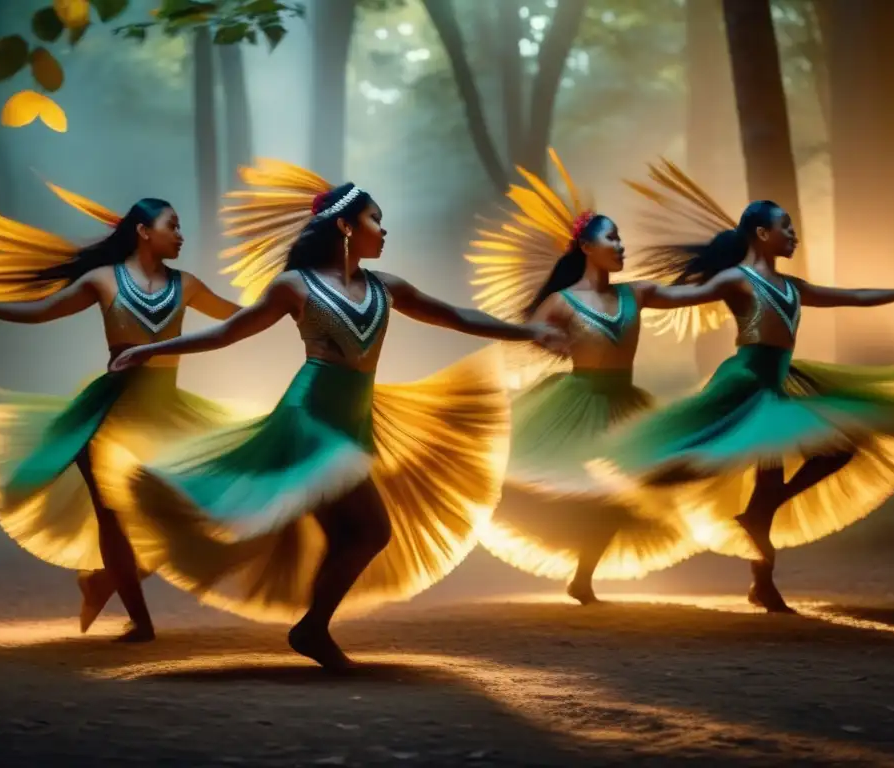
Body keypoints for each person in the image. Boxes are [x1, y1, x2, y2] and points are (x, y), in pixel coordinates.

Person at [109, 159, 568, 669]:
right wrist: (148, 350)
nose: (384, 228)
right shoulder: (295, 285)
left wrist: (529, 333)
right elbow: (228, 331)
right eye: (375, 218)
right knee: (367, 530)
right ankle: (309, 628)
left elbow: (456, 316)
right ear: (346, 226)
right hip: (311, 417)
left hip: (354, 416)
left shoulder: (384, 285)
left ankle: (310, 627)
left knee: (357, 533)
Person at [588, 161, 894, 612]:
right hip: (747, 380)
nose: (793, 234)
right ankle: (748, 561)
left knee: (835, 452)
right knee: (731, 472)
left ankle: (761, 543)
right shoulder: (736, 280)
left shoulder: (792, 286)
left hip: (781, 381)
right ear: (763, 235)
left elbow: (851, 297)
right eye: (786, 227)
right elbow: (676, 298)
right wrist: (620, 297)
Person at [0, 183, 249, 642]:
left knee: (201, 513)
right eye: (173, 226)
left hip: (166, 413)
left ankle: (104, 580)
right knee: (114, 516)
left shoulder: (187, 286)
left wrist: (302, 304)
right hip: (108, 412)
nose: (181, 235)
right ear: (144, 232)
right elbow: (41, 312)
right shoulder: (103, 280)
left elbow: (239, 317)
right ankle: (140, 622)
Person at [465, 148, 730, 603]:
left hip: (624, 405)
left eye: (622, 240)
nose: (622, 247)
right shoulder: (562, 301)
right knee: (551, 484)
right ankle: (511, 545)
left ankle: (583, 575)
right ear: (587, 248)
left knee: (628, 492)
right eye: (613, 239)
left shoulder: (638, 293)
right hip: (573, 403)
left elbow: (695, 294)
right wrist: (546, 340)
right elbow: (527, 336)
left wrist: (731, 264)